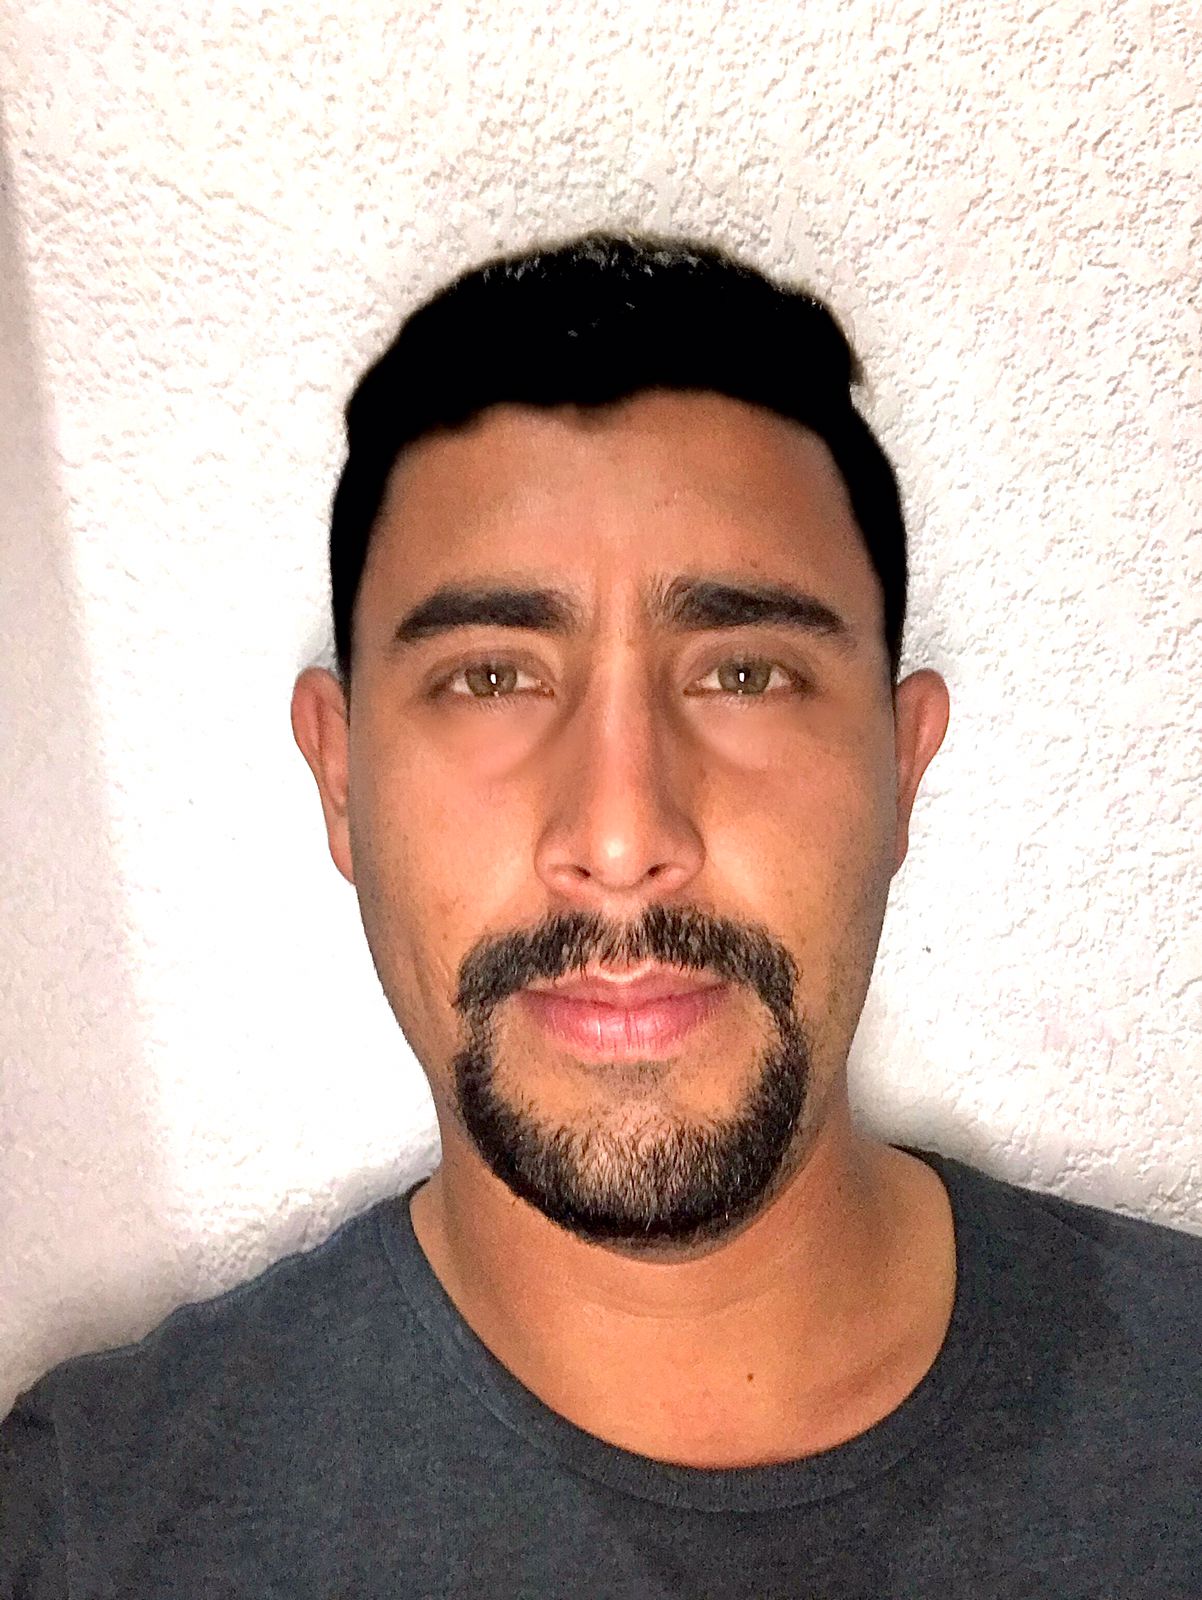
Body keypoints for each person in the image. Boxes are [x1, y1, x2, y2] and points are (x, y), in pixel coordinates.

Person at [2, 231, 1199, 1597]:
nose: (622, 839)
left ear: (900, 768)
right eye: (490, 678)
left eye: (744, 675)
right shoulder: (88, 1535)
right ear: (340, 779)